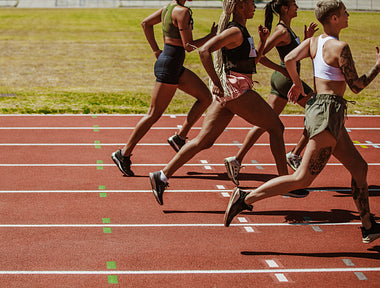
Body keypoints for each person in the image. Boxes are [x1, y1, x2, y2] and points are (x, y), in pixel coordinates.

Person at [224, 0, 380, 244]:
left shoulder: (314, 42)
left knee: (359, 168)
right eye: (344, 12)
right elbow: (357, 86)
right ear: (334, 19)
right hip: (328, 113)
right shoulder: (341, 47)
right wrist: (378, 66)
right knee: (303, 178)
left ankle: (368, 225)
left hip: (328, 112)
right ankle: (245, 197)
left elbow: (289, 60)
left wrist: (297, 83)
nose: (348, 14)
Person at [150, 0, 303, 205]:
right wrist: (215, 82)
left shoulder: (240, 30)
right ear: (240, 6)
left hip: (229, 93)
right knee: (276, 127)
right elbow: (204, 51)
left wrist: (262, 41)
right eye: (250, 3)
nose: (254, 7)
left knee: (204, 141)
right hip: (237, 91)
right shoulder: (235, 32)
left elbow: (253, 61)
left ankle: (161, 175)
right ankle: (285, 183)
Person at [111, 0, 217, 177]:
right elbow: (188, 46)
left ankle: (180, 137)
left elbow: (145, 24)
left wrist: (155, 51)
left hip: (172, 64)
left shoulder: (168, 8)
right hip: (169, 66)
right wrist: (211, 36)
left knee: (206, 97)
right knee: (153, 113)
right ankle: (123, 154)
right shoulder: (182, 12)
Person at [224, 0, 319, 187]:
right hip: (287, 80)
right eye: (293, 4)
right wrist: (281, 69)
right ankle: (295, 153)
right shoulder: (281, 31)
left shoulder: (288, 29)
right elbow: (258, 55)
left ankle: (237, 159)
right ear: (284, 8)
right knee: (319, 112)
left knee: (264, 123)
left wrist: (307, 39)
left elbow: (296, 54)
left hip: (284, 79)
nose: (297, 7)